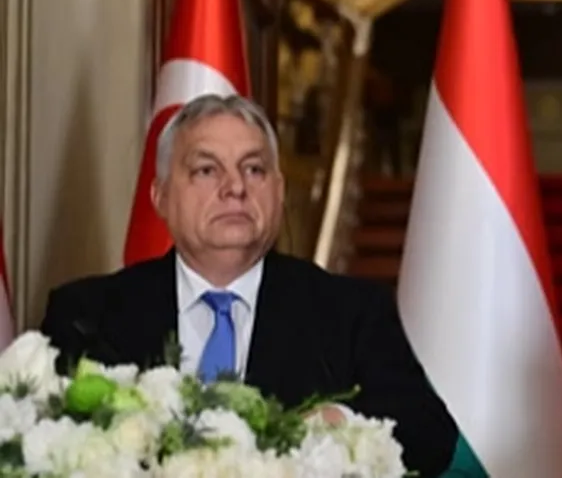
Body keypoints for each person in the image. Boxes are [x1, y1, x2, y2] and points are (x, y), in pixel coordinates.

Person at [39, 94, 459, 475]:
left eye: (253, 169)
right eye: (207, 170)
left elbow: (429, 436)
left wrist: (338, 424)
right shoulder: (86, 315)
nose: (235, 188)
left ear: (278, 191)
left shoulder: (351, 311)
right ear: (160, 197)